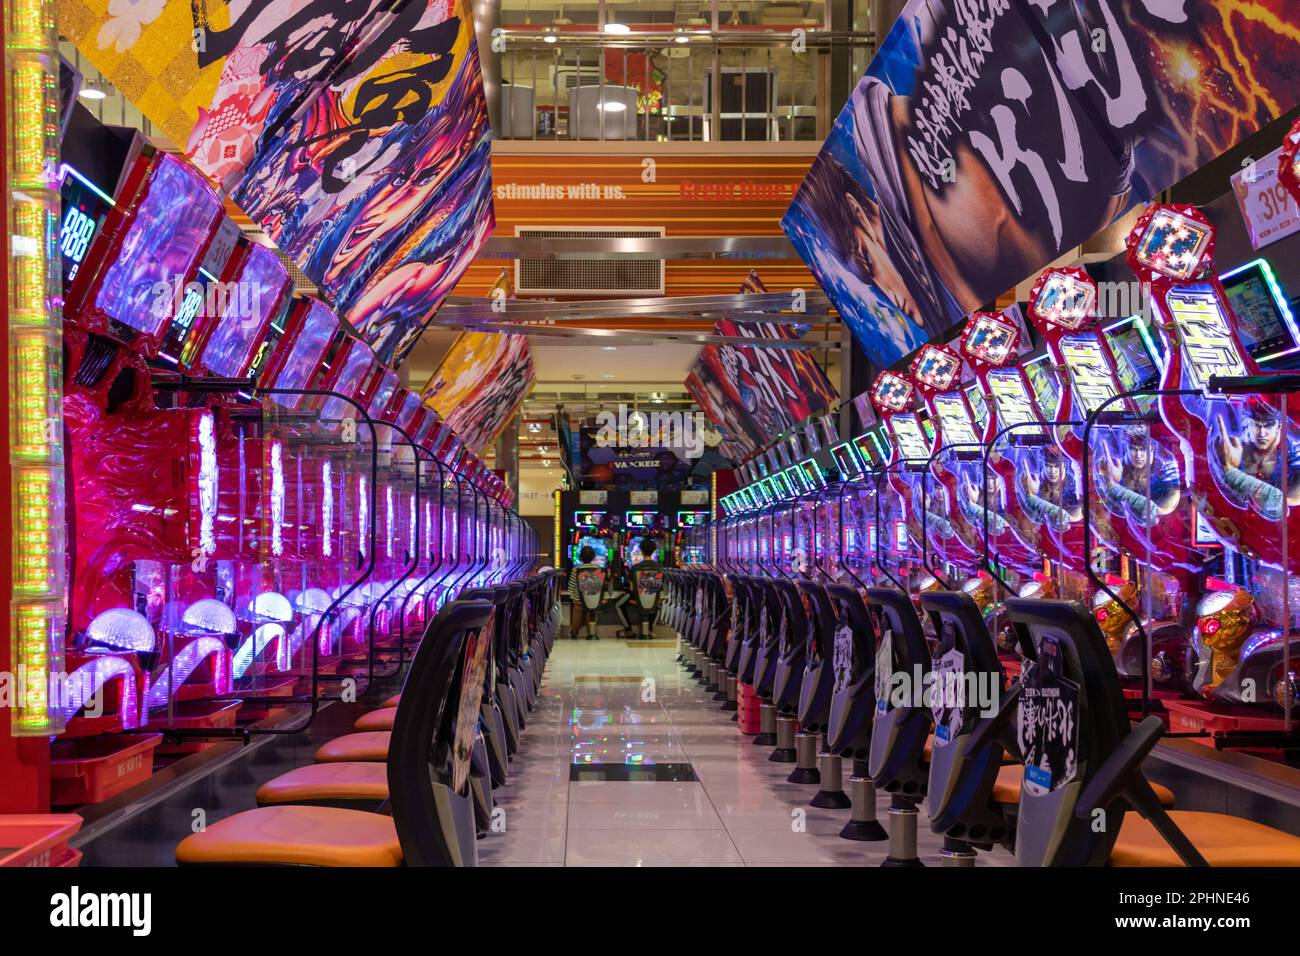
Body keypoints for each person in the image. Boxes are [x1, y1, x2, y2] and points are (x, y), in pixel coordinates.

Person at [628, 537, 665, 639]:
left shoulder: (635, 568)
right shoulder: (660, 567)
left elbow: (632, 588)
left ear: (641, 551)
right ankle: (650, 629)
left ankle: (628, 629)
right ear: (654, 551)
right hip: (654, 599)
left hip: (638, 599)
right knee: (658, 603)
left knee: (620, 603)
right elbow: (660, 587)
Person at [567, 546, 605, 640]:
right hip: (594, 603)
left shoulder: (576, 570)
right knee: (591, 608)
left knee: (578, 607)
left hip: (579, 603)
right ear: (593, 557)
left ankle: (574, 631)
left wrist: (575, 600)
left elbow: (571, 589)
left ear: (581, 557)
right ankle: (592, 631)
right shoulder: (599, 569)